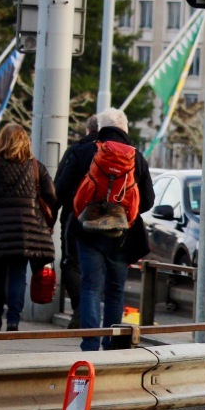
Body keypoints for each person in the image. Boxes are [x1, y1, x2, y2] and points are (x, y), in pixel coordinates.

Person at [55, 107, 155, 351]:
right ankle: (113, 343)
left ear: (99, 127)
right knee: (115, 289)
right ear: (125, 129)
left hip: (87, 232)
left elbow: (61, 188)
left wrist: (84, 210)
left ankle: (90, 343)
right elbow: (149, 199)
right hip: (122, 235)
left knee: (90, 286)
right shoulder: (136, 156)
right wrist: (120, 212)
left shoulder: (83, 151)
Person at [0, 124, 57, 331]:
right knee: (18, 274)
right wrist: (47, 225)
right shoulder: (36, 167)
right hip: (27, 231)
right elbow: (51, 197)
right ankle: (14, 318)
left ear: (2, 140)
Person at [54, 115, 98, 327]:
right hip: (109, 219)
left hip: (75, 215)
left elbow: (60, 187)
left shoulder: (77, 151)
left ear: (88, 130)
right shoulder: (124, 153)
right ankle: (95, 314)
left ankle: (80, 309)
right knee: (98, 265)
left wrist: (51, 216)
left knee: (72, 263)